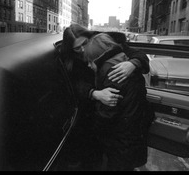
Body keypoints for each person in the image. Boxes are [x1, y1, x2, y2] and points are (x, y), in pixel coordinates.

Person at [58, 24, 152, 170]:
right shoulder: (71, 61)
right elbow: (72, 84)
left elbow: (140, 55)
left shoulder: (108, 44)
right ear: (71, 50)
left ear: (91, 37)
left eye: (85, 43)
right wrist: (94, 93)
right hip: (88, 113)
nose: (83, 50)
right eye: (77, 48)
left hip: (109, 119)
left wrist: (133, 63)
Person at [82, 32, 154, 171]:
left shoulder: (111, 72)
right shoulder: (122, 59)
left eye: (90, 61)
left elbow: (107, 114)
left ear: (98, 57)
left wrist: (93, 129)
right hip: (132, 131)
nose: (89, 66)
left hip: (121, 140)